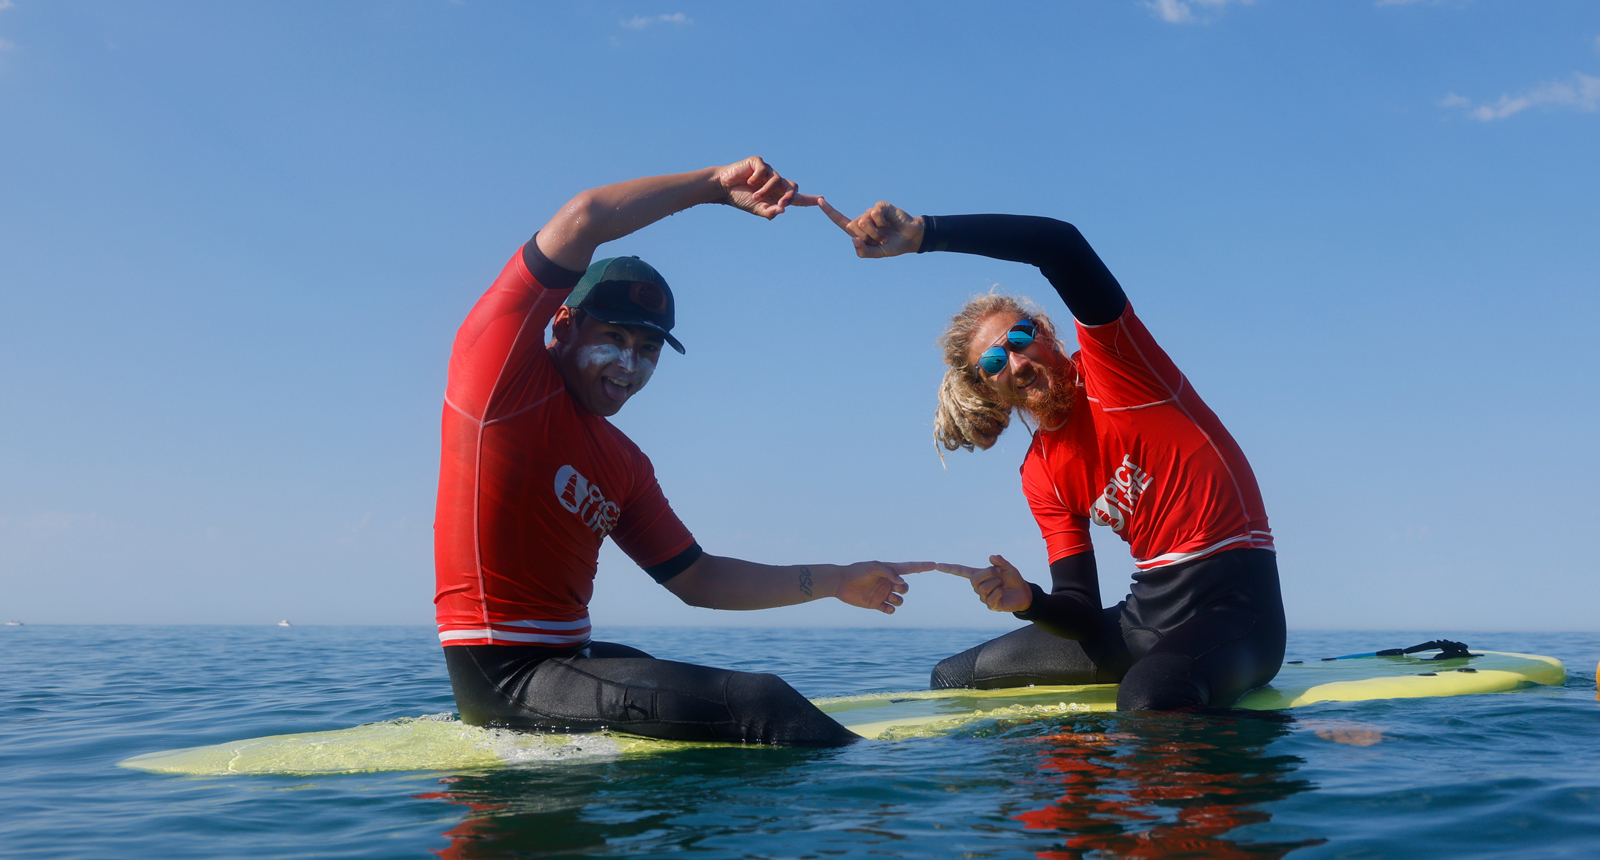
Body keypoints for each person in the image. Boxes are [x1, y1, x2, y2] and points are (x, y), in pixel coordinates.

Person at [434, 158, 931, 746]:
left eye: (648, 348)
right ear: (564, 324)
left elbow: (697, 578)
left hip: (568, 656)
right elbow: (586, 218)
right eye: (613, 339)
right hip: (505, 675)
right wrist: (713, 188)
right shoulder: (501, 379)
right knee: (760, 702)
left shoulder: (625, 463)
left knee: (709, 689)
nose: (628, 366)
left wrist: (838, 579)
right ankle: (879, 807)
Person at [818, 199, 1285, 711]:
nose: (1016, 361)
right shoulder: (1041, 473)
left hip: (1236, 608)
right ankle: (1073, 789)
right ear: (990, 389)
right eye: (994, 362)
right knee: (953, 678)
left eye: (1021, 337)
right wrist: (1030, 601)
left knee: (1150, 695)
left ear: (1047, 331)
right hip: (1145, 618)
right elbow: (1081, 609)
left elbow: (1059, 244)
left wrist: (923, 233)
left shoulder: (1121, 367)